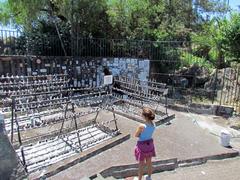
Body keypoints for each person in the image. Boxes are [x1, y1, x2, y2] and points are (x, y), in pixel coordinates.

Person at [134, 107, 156, 180]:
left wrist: (141, 135)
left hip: (142, 146)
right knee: (149, 162)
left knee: (141, 164)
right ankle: (149, 177)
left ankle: (139, 179)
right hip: (150, 144)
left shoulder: (142, 126)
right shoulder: (153, 125)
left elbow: (136, 135)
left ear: (145, 116)